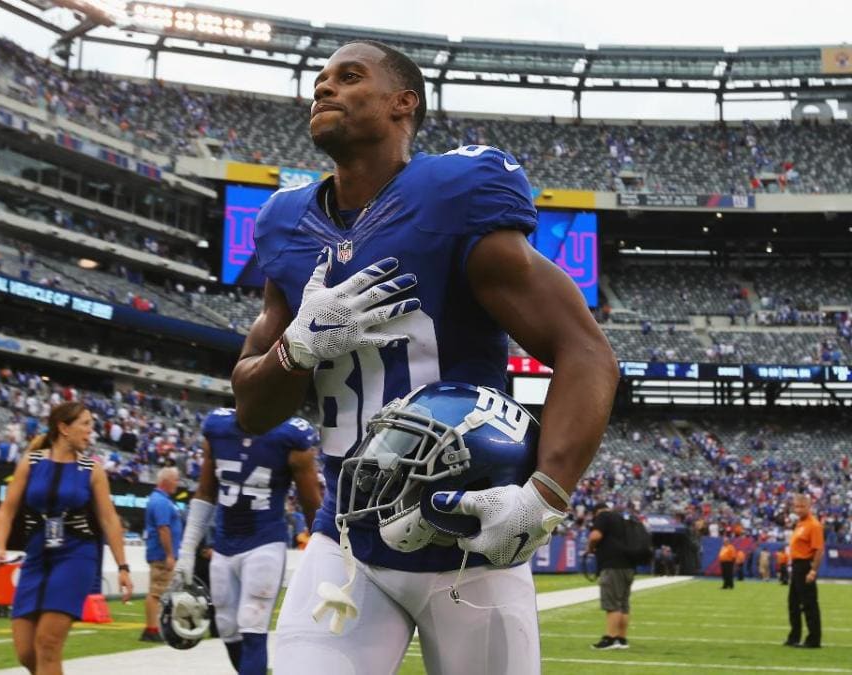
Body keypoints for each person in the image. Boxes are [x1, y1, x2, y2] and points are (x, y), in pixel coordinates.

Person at [232, 40, 618, 674]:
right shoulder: (285, 222)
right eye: (321, 79)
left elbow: (585, 350)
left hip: (470, 537)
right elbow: (251, 407)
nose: (323, 88)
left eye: (349, 77)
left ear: (402, 102)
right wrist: (294, 349)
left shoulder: (455, 193)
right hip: (346, 538)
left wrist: (546, 493)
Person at [0, 401, 134, 675]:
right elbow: (7, 509)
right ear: (64, 428)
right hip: (36, 558)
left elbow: (109, 519)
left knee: (47, 644)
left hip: (76, 556)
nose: (91, 431)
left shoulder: (92, 469)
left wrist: (123, 566)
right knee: (26, 652)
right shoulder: (31, 462)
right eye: (86, 424)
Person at [174, 409, 322, 673]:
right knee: (227, 628)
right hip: (223, 545)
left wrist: (323, 554)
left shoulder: (290, 435)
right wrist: (186, 551)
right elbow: (205, 492)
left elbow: (311, 503)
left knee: (252, 624)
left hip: (265, 543)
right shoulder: (217, 427)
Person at [142, 467, 183, 643]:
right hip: (161, 554)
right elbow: (163, 528)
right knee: (157, 592)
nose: (177, 483)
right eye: (175, 480)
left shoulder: (161, 500)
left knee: (161, 591)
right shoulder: (161, 502)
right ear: (166, 481)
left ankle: (156, 627)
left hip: (161, 552)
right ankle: (151, 629)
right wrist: (169, 554)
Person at [588, 505, 635, 650]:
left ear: (596, 512)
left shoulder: (604, 516)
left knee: (612, 603)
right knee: (623, 604)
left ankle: (610, 638)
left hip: (612, 566)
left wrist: (590, 548)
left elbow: (595, 536)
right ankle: (621, 638)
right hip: (629, 566)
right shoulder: (623, 519)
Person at [784, 494, 823, 648]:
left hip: (805, 565)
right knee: (793, 604)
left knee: (809, 604)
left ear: (809, 507)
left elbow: (818, 550)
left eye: (802, 506)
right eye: (796, 506)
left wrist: (813, 571)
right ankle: (794, 637)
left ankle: (814, 639)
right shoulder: (800, 523)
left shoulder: (814, 525)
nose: (799, 509)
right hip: (796, 566)